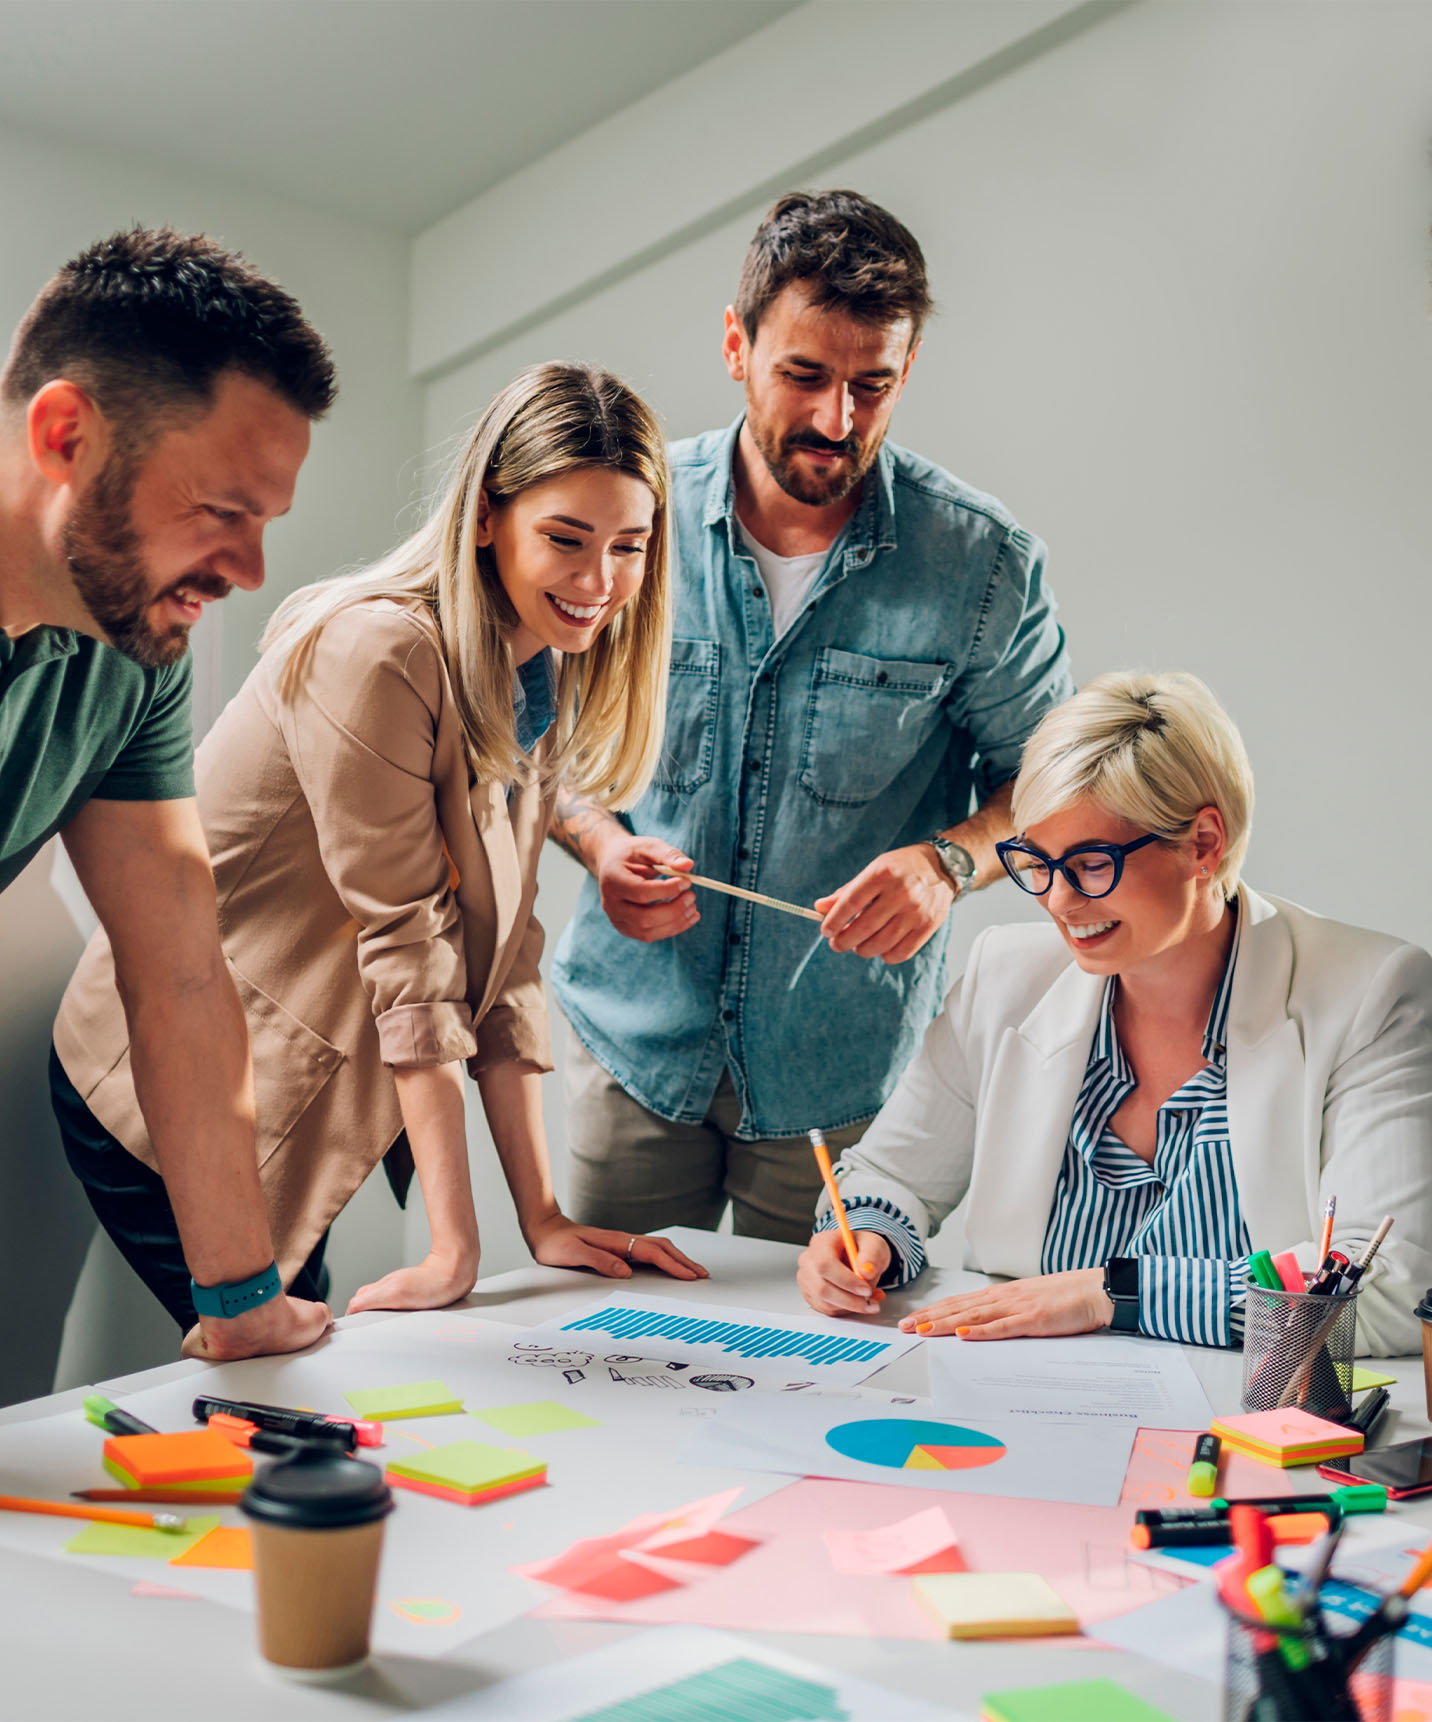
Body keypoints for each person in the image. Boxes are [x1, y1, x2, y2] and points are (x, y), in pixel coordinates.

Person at [53, 361, 706, 1332]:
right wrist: (456, 1250)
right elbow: (411, 948)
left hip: (301, 1088)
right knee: (274, 1395)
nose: (598, 582)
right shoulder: (381, 653)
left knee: (300, 1381)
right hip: (163, 1092)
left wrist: (541, 1220)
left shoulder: (541, 671)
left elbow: (500, 954)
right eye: (565, 539)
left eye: (628, 546)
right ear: (487, 515)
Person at [549, 190, 1074, 1246]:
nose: (837, 420)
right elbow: (531, 737)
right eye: (804, 375)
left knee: (824, 1383)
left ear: (905, 370)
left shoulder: (983, 565)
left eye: (870, 385)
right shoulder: (626, 516)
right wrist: (598, 843)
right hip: (633, 1048)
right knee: (609, 1374)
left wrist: (947, 865)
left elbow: (1055, 787)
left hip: (848, 1079)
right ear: (737, 345)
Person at [797, 671, 1432, 1356]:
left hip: (1234, 1428)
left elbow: (1390, 1288)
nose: (1060, 902)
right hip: (1010, 1408)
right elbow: (891, 1179)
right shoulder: (1004, 975)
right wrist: (868, 1235)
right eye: (1035, 862)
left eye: (1092, 863)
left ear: (1203, 844)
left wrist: (1109, 1293)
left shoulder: (1373, 992)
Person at [2, 226, 336, 1361]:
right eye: (221, 511)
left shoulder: (126, 656)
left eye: (264, 525)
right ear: (66, 436)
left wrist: (241, 1300)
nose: (248, 572)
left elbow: (181, 976)